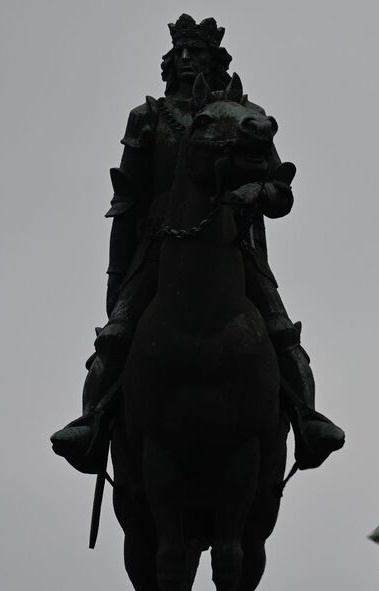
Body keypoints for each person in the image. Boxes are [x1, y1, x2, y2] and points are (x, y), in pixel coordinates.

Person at [51, 13, 344, 475]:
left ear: (216, 61)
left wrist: (255, 193)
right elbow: (127, 201)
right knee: (116, 337)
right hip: (157, 244)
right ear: (168, 62)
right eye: (180, 52)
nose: (187, 59)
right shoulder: (148, 118)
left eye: (198, 52)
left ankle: (307, 420)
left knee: (279, 327)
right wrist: (116, 279)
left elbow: (281, 191)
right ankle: (91, 423)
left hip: (233, 242)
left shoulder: (244, 117)